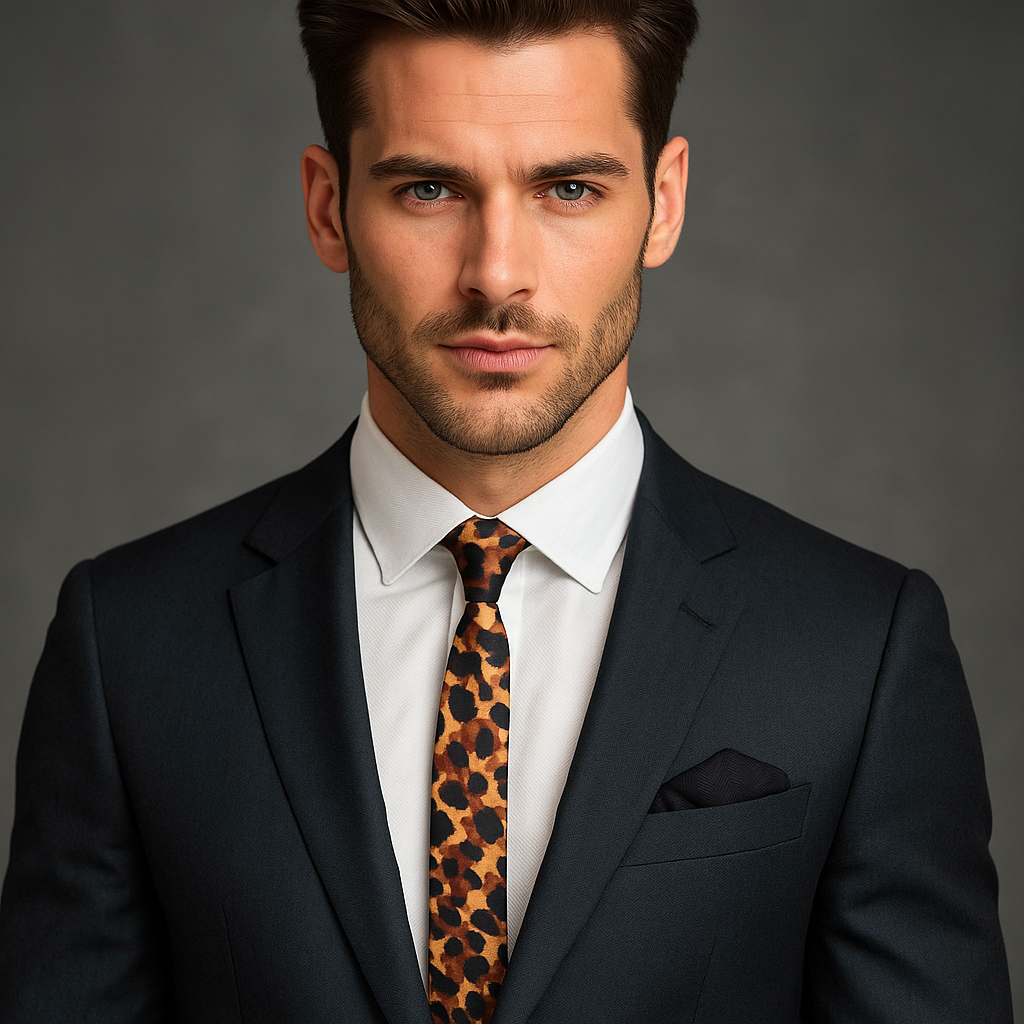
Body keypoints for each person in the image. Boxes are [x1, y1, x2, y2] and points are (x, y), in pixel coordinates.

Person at [0, 0, 1013, 1021]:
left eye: (568, 187)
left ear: (662, 205)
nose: (495, 274)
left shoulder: (857, 648)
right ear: (326, 207)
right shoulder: (128, 643)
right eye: (428, 187)